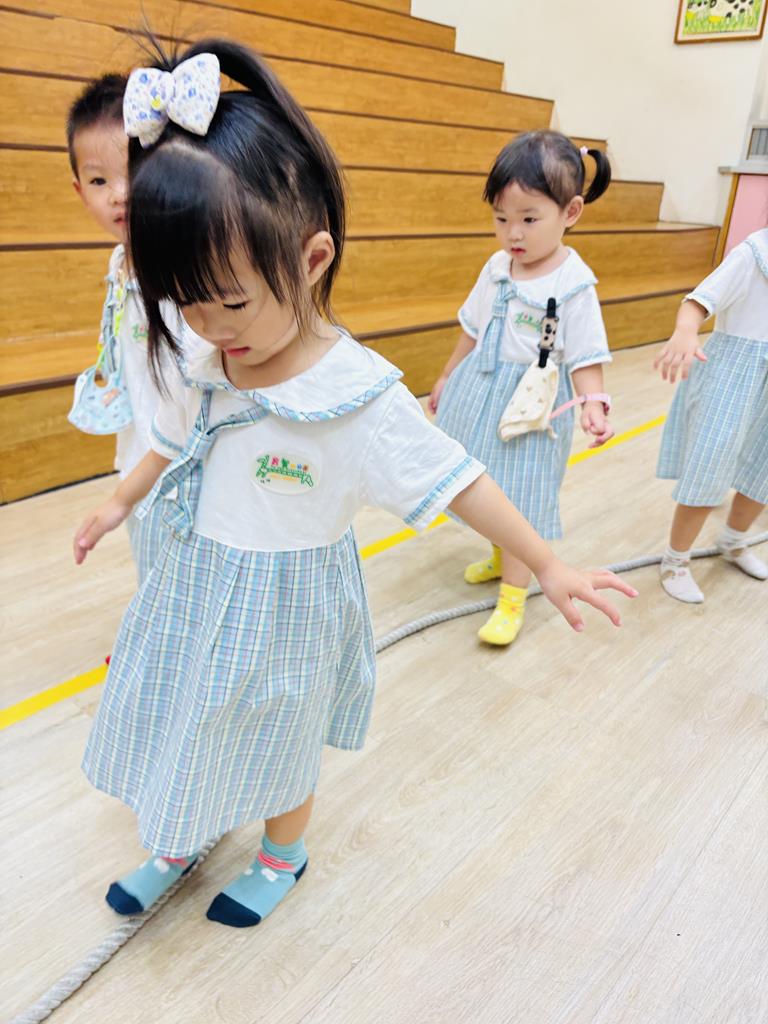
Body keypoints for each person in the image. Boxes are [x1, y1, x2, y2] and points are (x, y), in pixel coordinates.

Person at [74, 41, 636, 929]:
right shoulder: (209, 357)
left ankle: (281, 854)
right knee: (188, 708)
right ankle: (182, 831)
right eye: (185, 301)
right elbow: (172, 442)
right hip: (197, 579)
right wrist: (118, 501)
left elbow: (459, 479)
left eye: (229, 300)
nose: (209, 326)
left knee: (279, 732)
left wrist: (548, 563)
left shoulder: (356, 393)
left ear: (310, 259)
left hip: (289, 602)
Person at [430, 131, 614, 646]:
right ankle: (498, 554)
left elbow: (586, 354)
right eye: (501, 219)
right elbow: (472, 328)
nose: (513, 233)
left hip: (532, 409)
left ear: (570, 212)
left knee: (521, 498)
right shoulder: (496, 267)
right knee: (484, 483)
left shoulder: (573, 283)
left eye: (529, 220)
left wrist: (593, 403)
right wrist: (446, 374)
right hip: (481, 391)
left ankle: (514, 597)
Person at [67, 73, 170, 581]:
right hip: (140, 452)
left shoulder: (177, 267)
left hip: (182, 460)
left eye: (134, 170)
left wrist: (123, 496)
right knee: (153, 570)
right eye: (99, 181)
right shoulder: (118, 261)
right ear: (79, 190)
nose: (120, 195)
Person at [655, 229, 768, 602]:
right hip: (733, 374)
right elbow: (698, 301)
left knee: (762, 469)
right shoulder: (753, 253)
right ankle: (675, 560)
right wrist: (686, 331)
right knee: (710, 466)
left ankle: (733, 540)